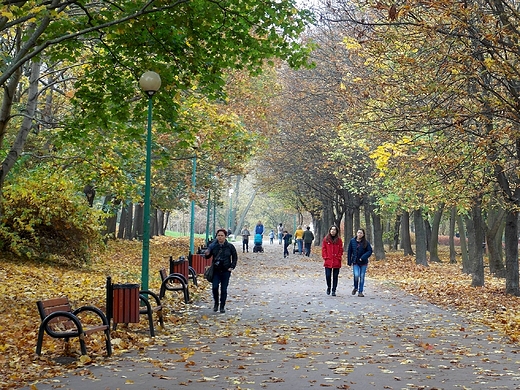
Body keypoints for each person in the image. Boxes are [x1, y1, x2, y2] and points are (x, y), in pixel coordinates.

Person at [204, 228, 238, 313]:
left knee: (224, 289)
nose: (220, 237)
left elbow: (234, 257)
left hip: (226, 271)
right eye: (218, 235)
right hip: (216, 270)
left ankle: (222, 306)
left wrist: (232, 267)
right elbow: (208, 256)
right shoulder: (214, 246)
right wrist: (206, 254)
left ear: (225, 236)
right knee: (215, 287)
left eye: (222, 235)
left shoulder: (230, 246)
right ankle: (216, 303)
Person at [347, 228, 373, 297]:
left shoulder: (366, 242)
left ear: (363, 234)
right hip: (355, 261)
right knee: (356, 275)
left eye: (361, 233)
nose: (359, 234)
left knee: (362, 276)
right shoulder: (352, 241)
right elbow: (349, 251)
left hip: (363, 262)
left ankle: (360, 291)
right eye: (358, 232)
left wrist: (363, 257)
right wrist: (349, 261)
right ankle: (355, 287)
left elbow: (369, 251)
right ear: (356, 233)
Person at [321, 225, 343, 296]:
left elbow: (341, 249)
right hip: (328, 260)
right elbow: (324, 248)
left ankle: (334, 290)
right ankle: (329, 287)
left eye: (334, 230)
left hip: (336, 260)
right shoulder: (326, 239)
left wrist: (339, 256)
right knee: (328, 275)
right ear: (329, 231)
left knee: (335, 276)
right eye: (332, 230)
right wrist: (325, 256)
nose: (333, 231)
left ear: (336, 231)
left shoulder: (339, 240)